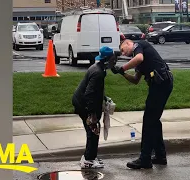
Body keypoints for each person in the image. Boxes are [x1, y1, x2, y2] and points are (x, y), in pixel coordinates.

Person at [111, 39, 173, 169]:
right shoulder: (137, 57)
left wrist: (123, 67)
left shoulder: (139, 45)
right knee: (154, 121)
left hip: (161, 84)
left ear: (128, 43)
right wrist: (122, 73)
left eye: (123, 49)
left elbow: (139, 58)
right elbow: (135, 80)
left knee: (149, 120)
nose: (123, 53)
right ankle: (160, 156)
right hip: (160, 84)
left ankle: (145, 159)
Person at [72, 46, 117, 169]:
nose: (115, 60)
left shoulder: (99, 69)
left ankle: (90, 156)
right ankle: (88, 160)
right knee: (93, 129)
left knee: (93, 130)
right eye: (113, 58)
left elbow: (96, 90)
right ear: (107, 60)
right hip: (84, 104)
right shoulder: (98, 72)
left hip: (82, 102)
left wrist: (104, 98)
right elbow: (89, 94)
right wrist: (92, 115)